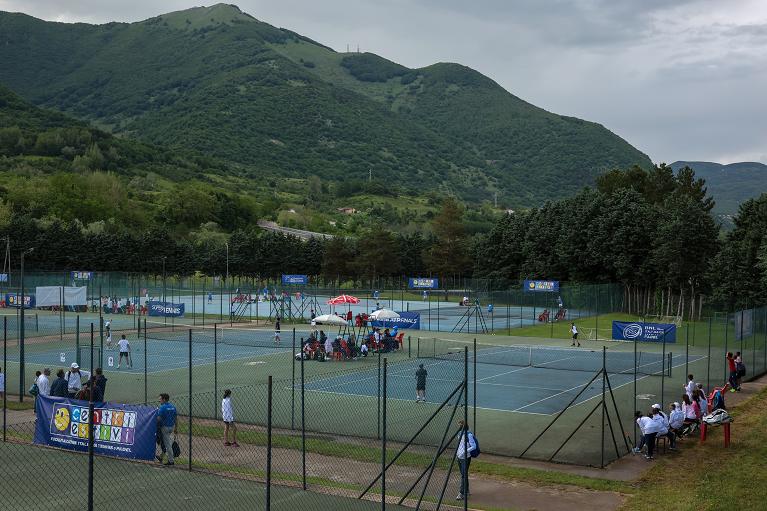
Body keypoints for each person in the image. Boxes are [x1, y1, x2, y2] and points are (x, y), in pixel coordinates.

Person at [455, 420, 477, 500]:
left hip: (466, 457)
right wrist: (458, 453)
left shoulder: (469, 435)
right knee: (463, 474)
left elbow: (473, 446)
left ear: (463, 426)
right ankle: (467, 490)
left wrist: (465, 451)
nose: (459, 427)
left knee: (464, 475)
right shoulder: (459, 433)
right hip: (459, 456)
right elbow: (460, 445)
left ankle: (461, 493)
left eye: (460, 425)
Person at [156, 393, 178, 465]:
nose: (160, 401)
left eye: (160, 399)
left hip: (164, 428)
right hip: (171, 427)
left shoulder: (162, 408)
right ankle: (161, 456)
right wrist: (176, 428)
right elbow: (175, 419)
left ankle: (171, 461)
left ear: (164, 399)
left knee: (167, 444)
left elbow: (158, 418)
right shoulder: (173, 407)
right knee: (167, 442)